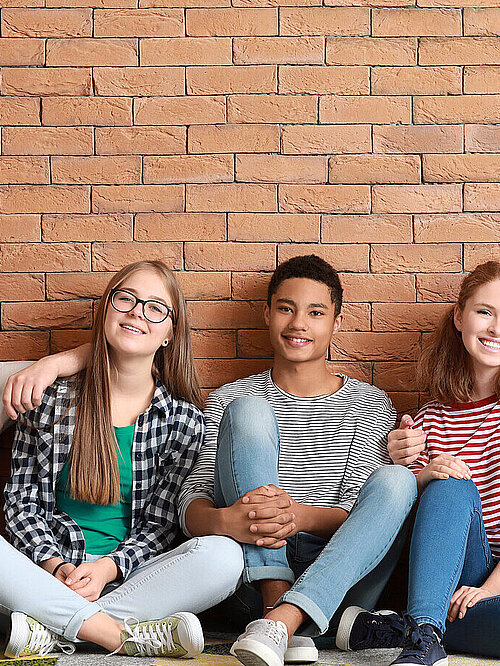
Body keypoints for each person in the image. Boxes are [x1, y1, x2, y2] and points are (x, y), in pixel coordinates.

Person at [4, 255, 417, 666]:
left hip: (334, 573)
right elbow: (184, 506)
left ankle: (282, 621)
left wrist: (296, 516)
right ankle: (128, 632)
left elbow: (361, 515)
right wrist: (224, 522)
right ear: (267, 313)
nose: (298, 323)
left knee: (395, 482)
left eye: (315, 312)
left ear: (337, 322)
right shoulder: (225, 401)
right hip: (245, 578)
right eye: (286, 308)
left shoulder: (368, 403)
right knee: (246, 421)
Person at [0, 260, 243, 660]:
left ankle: (55, 630)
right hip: (42, 574)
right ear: (106, 310)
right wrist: (53, 565)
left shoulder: (183, 420)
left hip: (131, 580)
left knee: (224, 557)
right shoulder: (52, 399)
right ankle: (115, 636)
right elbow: (21, 502)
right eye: (125, 299)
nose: (136, 313)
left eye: (154, 308)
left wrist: (107, 569)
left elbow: (161, 526)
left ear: (170, 333)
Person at [337, 260, 500, 666]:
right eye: (485, 312)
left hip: (493, 579)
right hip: (439, 579)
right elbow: (399, 527)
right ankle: (425, 635)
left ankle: (397, 628)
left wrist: (491, 589)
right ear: (459, 317)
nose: (496, 329)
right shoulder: (427, 419)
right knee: (448, 481)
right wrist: (418, 474)